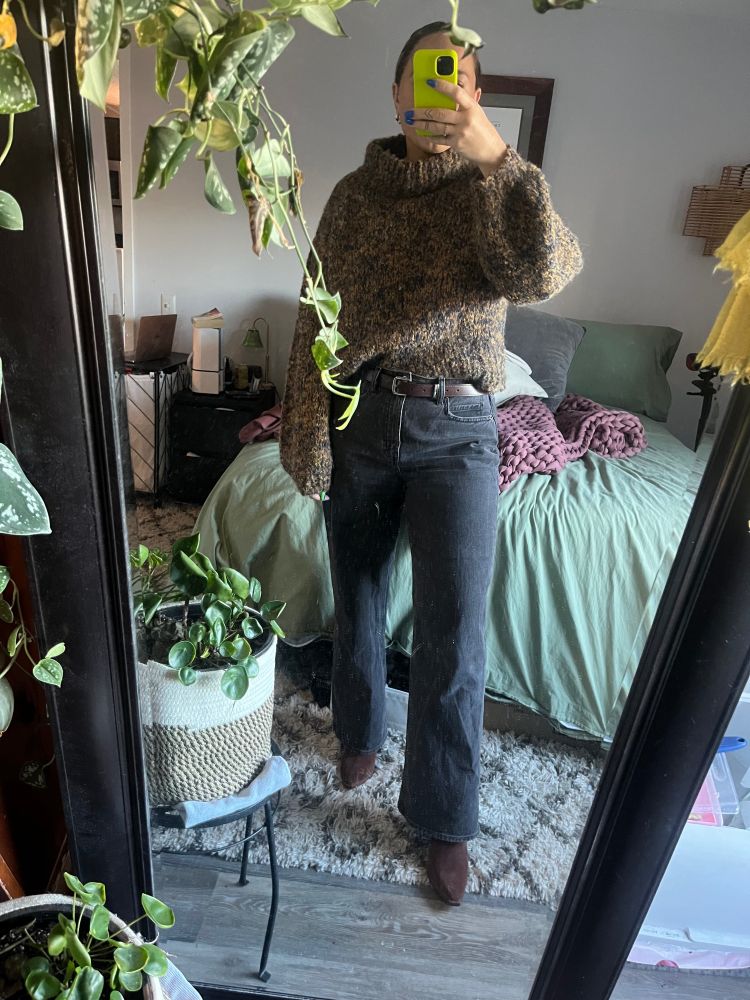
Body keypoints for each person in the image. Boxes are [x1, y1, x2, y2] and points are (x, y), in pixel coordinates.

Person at [280, 21, 582, 905]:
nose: (439, 93)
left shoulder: (497, 191)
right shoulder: (353, 198)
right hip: (363, 418)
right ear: (394, 94)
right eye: (422, 78)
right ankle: (358, 734)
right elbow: (314, 313)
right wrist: (306, 432)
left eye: (457, 81)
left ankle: (444, 816)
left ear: (475, 95)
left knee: (456, 630)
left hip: (460, 432)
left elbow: (542, 272)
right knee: (358, 592)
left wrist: (502, 164)